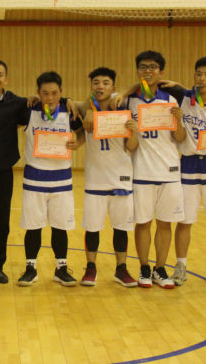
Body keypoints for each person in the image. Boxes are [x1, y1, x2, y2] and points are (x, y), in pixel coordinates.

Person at [0, 60, 76, 284]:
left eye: (0, 75)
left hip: (5, 171)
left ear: (6, 79)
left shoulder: (18, 104)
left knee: (2, 223)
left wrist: (67, 100)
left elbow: (52, 100)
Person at [136, 57, 206, 287]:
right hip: (189, 164)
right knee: (184, 220)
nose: (202, 79)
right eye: (198, 74)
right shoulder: (181, 96)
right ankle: (180, 266)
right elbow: (148, 81)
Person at [109, 51, 186, 289]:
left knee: (165, 224)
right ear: (137, 71)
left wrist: (179, 120)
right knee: (142, 223)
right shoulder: (127, 101)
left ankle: (159, 269)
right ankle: (144, 268)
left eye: (152, 67)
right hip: (141, 170)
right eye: (143, 67)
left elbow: (180, 138)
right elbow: (102, 98)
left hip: (170, 171)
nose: (147, 71)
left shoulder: (171, 100)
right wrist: (125, 91)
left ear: (161, 72)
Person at [72, 67, 139, 288]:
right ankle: (90, 268)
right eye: (96, 83)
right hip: (95, 178)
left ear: (114, 87)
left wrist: (133, 132)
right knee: (92, 227)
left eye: (105, 83)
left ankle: (121, 269)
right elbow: (67, 102)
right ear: (91, 86)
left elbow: (131, 147)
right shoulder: (86, 108)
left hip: (121, 177)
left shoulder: (123, 108)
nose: (100, 86)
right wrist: (86, 113)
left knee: (121, 227)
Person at [17, 71, 83, 288]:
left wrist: (79, 142)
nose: (50, 98)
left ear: (61, 92)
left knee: (60, 227)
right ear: (38, 92)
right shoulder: (29, 110)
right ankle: (31, 269)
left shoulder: (69, 112)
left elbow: (83, 131)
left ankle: (61, 269)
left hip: (61, 180)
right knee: (33, 227)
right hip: (34, 179)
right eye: (45, 93)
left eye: (55, 93)